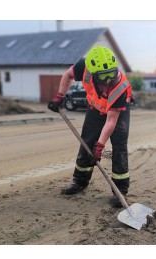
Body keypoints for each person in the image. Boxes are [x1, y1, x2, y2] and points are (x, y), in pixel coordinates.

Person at [47, 46, 132, 208]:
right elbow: (68, 75)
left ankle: (120, 190)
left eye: (111, 75)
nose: (108, 81)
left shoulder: (120, 87)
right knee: (86, 142)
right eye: (103, 77)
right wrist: (60, 97)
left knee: (119, 146)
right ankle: (80, 181)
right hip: (95, 108)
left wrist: (99, 147)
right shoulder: (82, 67)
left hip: (117, 112)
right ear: (92, 73)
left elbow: (111, 121)